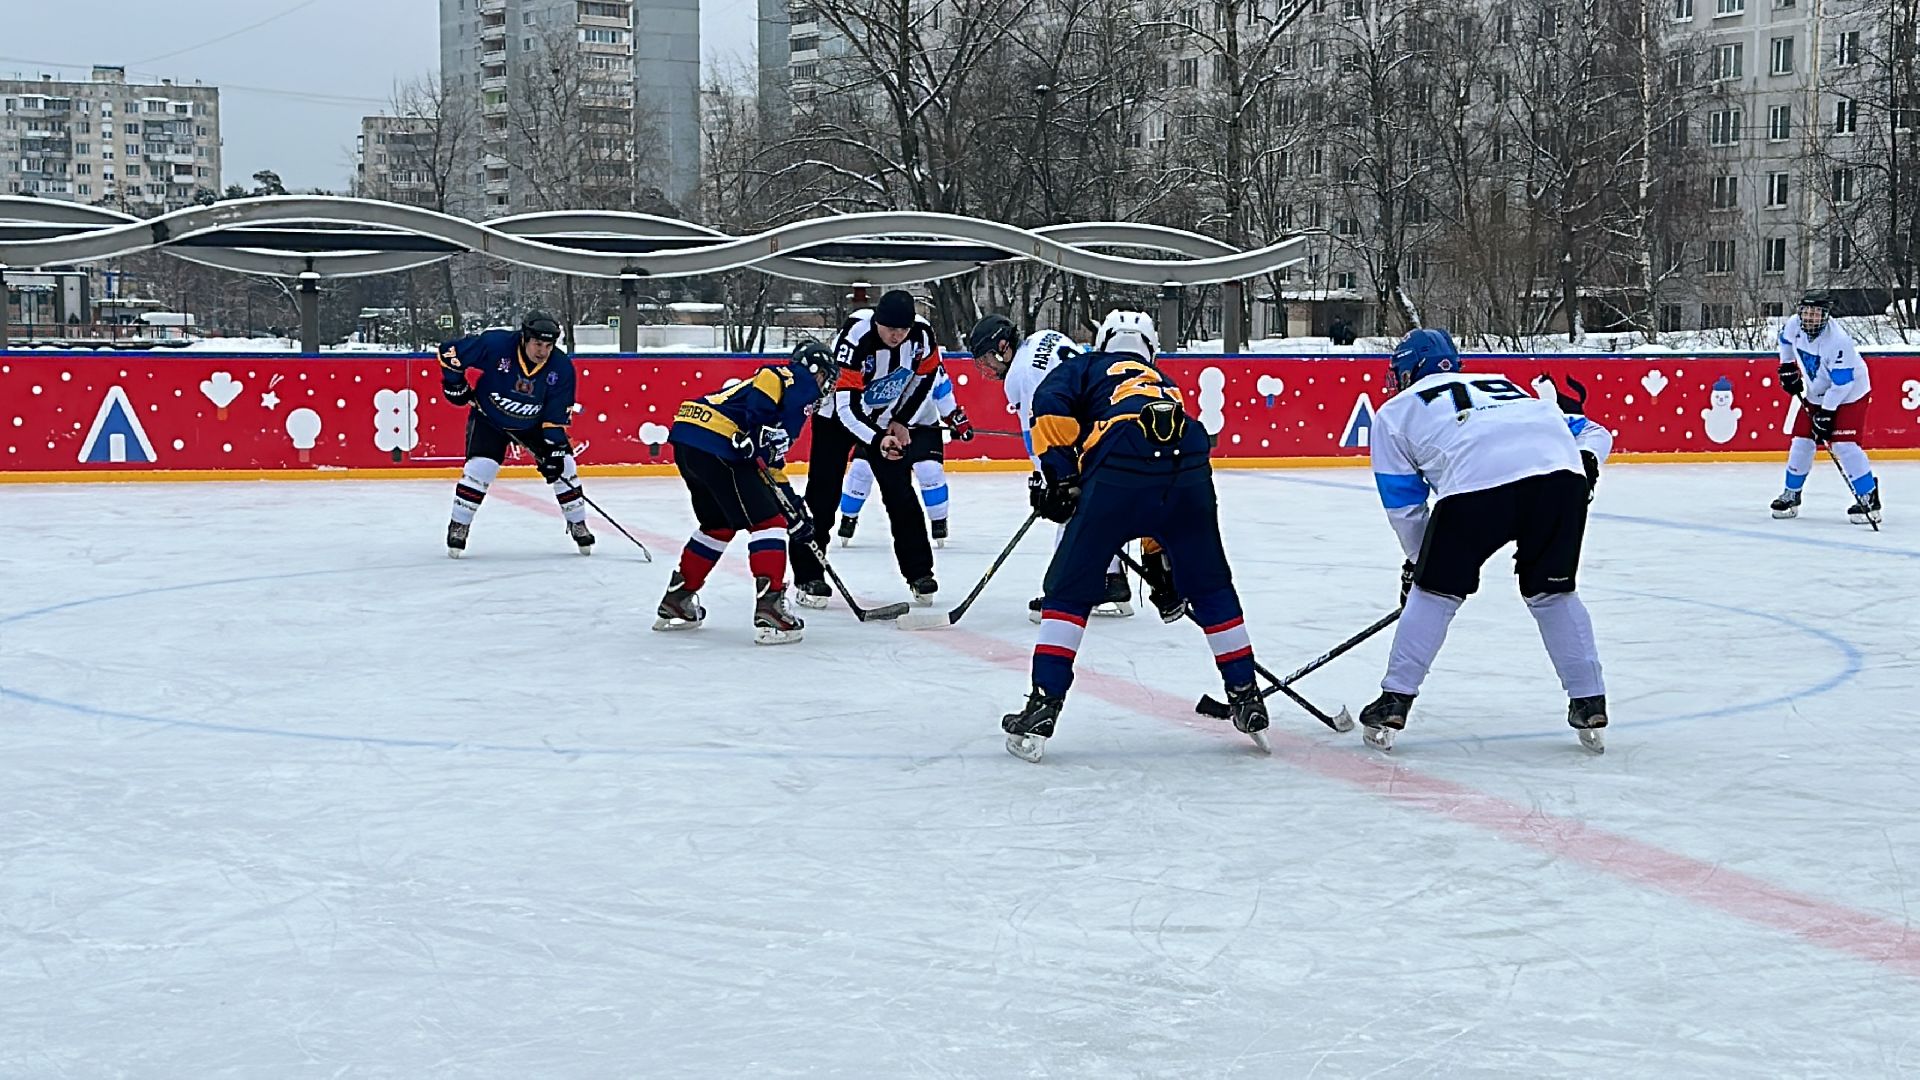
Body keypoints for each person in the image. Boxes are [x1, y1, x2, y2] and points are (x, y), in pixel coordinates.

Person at [1000, 310, 1269, 762]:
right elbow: (1160, 483)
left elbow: (1049, 407)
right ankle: (1245, 694)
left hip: (1119, 467)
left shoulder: (1084, 366)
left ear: (1103, 342)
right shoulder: (1164, 383)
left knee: (1066, 592)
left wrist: (1061, 476)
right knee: (1211, 586)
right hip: (1189, 464)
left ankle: (1044, 703)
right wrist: (1165, 569)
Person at [1359, 327, 1615, 754]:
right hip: (1560, 480)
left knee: (1436, 595)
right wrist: (1585, 460)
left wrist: (1420, 564)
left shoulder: (1395, 412)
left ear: (1409, 369)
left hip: (1476, 485)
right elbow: (1594, 431)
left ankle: (1395, 699)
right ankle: (1588, 700)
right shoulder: (1507, 387)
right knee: (1553, 594)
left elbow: (1404, 506)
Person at [967, 313, 1150, 622]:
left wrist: (1048, 478)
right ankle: (1112, 582)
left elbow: (1038, 434)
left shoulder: (1022, 376)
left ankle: (1063, 595)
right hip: (1114, 421)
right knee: (1092, 508)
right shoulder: (1043, 337)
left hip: (1096, 432)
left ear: (1002, 347)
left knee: (1069, 509)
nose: (986, 367)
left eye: (986, 357)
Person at [654, 341, 835, 644]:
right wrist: (754, 430)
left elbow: (771, 466)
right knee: (769, 523)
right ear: (814, 370)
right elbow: (769, 379)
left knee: (718, 525)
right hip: (719, 441)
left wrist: (796, 509)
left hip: (690, 438)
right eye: (826, 376)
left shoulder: (787, 401)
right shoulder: (797, 380)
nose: (826, 385)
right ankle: (771, 610)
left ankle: (677, 599)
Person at [792, 289, 943, 607]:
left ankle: (919, 573)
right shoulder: (855, 337)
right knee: (823, 494)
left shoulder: (922, 335)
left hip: (883, 417)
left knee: (900, 492)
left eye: (902, 330)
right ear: (877, 322)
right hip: (835, 417)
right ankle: (808, 576)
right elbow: (846, 409)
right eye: (890, 329)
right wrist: (877, 440)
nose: (896, 336)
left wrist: (901, 420)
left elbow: (925, 377)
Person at [438, 311, 593, 557]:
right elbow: (449, 352)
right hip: (489, 418)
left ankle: (577, 522)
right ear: (524, 338)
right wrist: (455, 384)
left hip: (534, 424)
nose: (542, 351)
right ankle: (459, 524)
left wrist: (554, 452)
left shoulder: (561, 368)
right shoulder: (496, 345)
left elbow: (554, 419)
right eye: (538, 344)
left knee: (565, 466)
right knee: (481, 469)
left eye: (548, 345)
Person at [1770, 291, 1880, 525]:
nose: (1809, 317)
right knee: (1801, 440)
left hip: (1850, 394)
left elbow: (1842, 384)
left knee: (1844, 444)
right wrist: (1787, 367)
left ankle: (1868, 495)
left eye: (1816, 312)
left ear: (1826, 315)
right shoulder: (1794, 325)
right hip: (1817, 391)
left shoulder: (1838, 341)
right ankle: (1791, 494)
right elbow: (1785, 342)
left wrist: (1827, 413)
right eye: (1806, 311)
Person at [835, 365, 974, 547]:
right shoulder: (874, 361)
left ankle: (939, 521)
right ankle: (848, 517)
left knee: (930, 470)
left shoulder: (929, 364)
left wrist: (954, 418)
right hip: (880, 427)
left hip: (922, 426)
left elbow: (942, 394)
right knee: (862, 469)